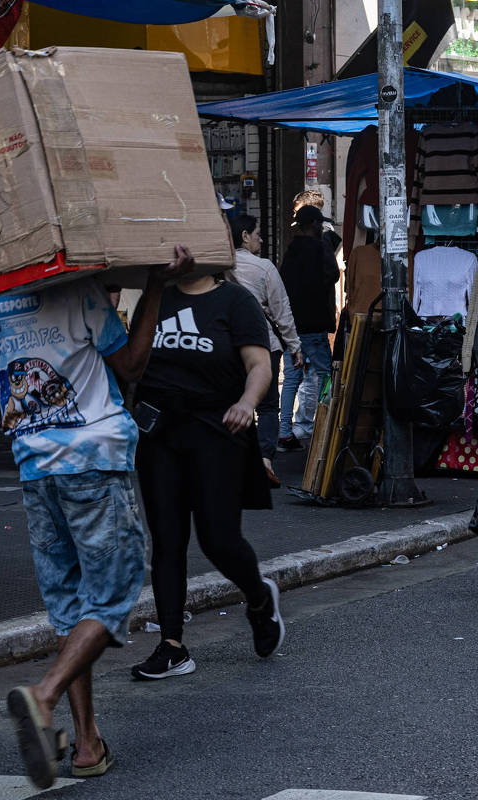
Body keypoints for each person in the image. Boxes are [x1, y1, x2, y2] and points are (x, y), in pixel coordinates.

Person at [0, 246, 193, 789]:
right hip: (91, 459)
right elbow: (132, 364)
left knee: (71, 605)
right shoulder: (76, 289)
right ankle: (42, 696)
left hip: (33, 465)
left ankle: (87, 743)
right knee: (113, 595)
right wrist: (155, 285)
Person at [130, 269, 285, 681]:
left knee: (218, 540)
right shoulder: (156, 297)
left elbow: (259, 364)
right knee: (167, 538)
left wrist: (246, 402)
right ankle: (172, 646)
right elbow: (133, 359)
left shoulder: (235, 301)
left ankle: (258, 598)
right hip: (160, 433)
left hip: (218, 431)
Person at [228, 215, 304, 485]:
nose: (260, 238)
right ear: (245, 236)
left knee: (232, 402)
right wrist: (295, 346)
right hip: (263, 345)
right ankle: (264, 460)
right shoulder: (264, 268)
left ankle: (233, 462)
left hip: (228, 347)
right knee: (268, 406)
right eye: (257, 233)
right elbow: (281, 311)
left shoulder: (220, 267)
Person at [278, 204, 340, 450]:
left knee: (292, 379)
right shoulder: (319, 247)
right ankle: (326, 427)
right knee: (326, 375)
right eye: (319, 223)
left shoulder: (291, 250)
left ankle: (285, 432)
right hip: (314, 326)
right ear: (313, 224)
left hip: (293, 327)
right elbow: (333, 275)